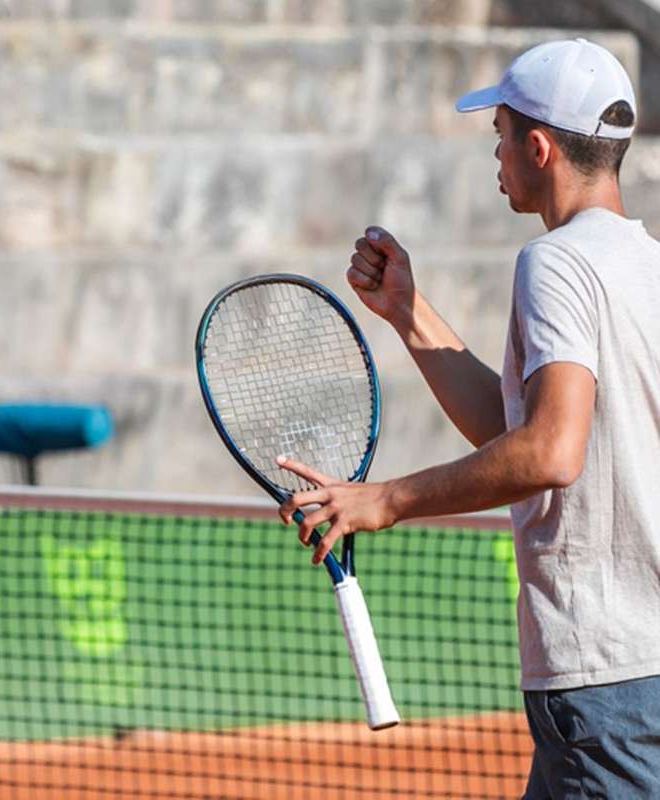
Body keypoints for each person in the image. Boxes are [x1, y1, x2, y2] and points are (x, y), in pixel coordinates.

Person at [277, 38, 660, 798]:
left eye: (502, 137)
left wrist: (382, 501)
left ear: (540, 148)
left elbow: (551, 451)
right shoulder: (647, 264)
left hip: (604, 677)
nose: (497, 155)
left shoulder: (554, 263)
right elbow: (519, 427)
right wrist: (410, 315)